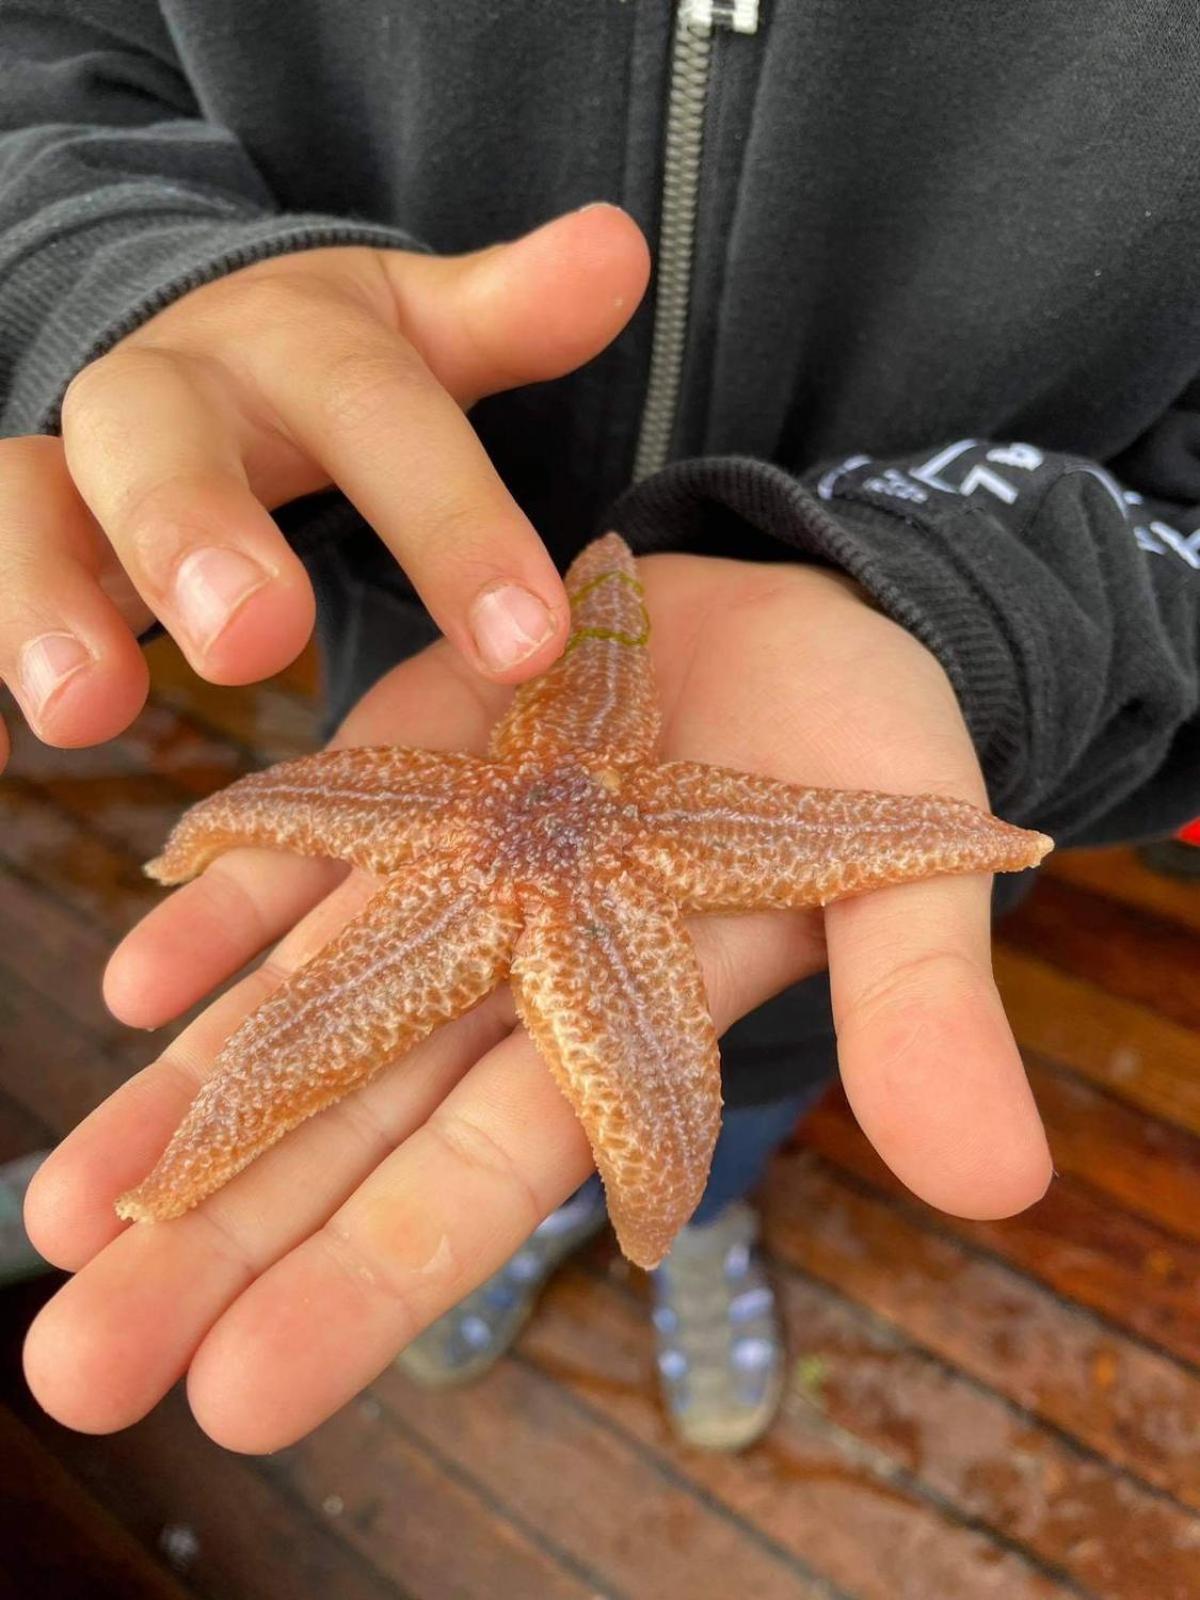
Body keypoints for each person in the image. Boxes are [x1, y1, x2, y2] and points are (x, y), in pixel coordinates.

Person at [1, 2, 1197, 1457]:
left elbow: (801, 792)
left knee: (718, 1098)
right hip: (435, 660)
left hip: (826, 905)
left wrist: (965, 616)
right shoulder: (505, 768)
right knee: (447, 1085)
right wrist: (118, 275)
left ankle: (689, 1219)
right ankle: (595, 1214)